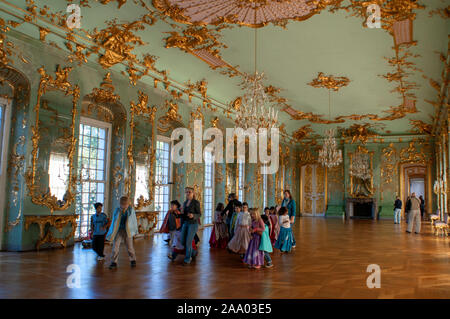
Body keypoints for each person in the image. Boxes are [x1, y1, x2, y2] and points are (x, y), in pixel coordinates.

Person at [170, 187, 201, 265]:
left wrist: (193, 215)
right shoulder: (184, 203)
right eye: (186, 192)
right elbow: (183, 215)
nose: (187, 193)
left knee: (188, 242)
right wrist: (176, 214)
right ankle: (193, 252)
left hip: (193, 224)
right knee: (183, 241)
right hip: (185, 223)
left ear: (193, 193)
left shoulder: (196, 202)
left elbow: (199, 214)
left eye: (189, 192)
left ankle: (187, 259)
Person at [107, 196, 138, 269]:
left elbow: (133, 221)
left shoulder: (130, 210)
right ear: (120, 204)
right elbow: (114, 221)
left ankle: (133, 259)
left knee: (130, 247)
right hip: (118, 230)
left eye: (125, 204)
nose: (124, 206)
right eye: (122, 204)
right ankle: (114, 262)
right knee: (115, 247)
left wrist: (134, 231)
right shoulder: (117, 210)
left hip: (128, 231)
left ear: (128, 204)